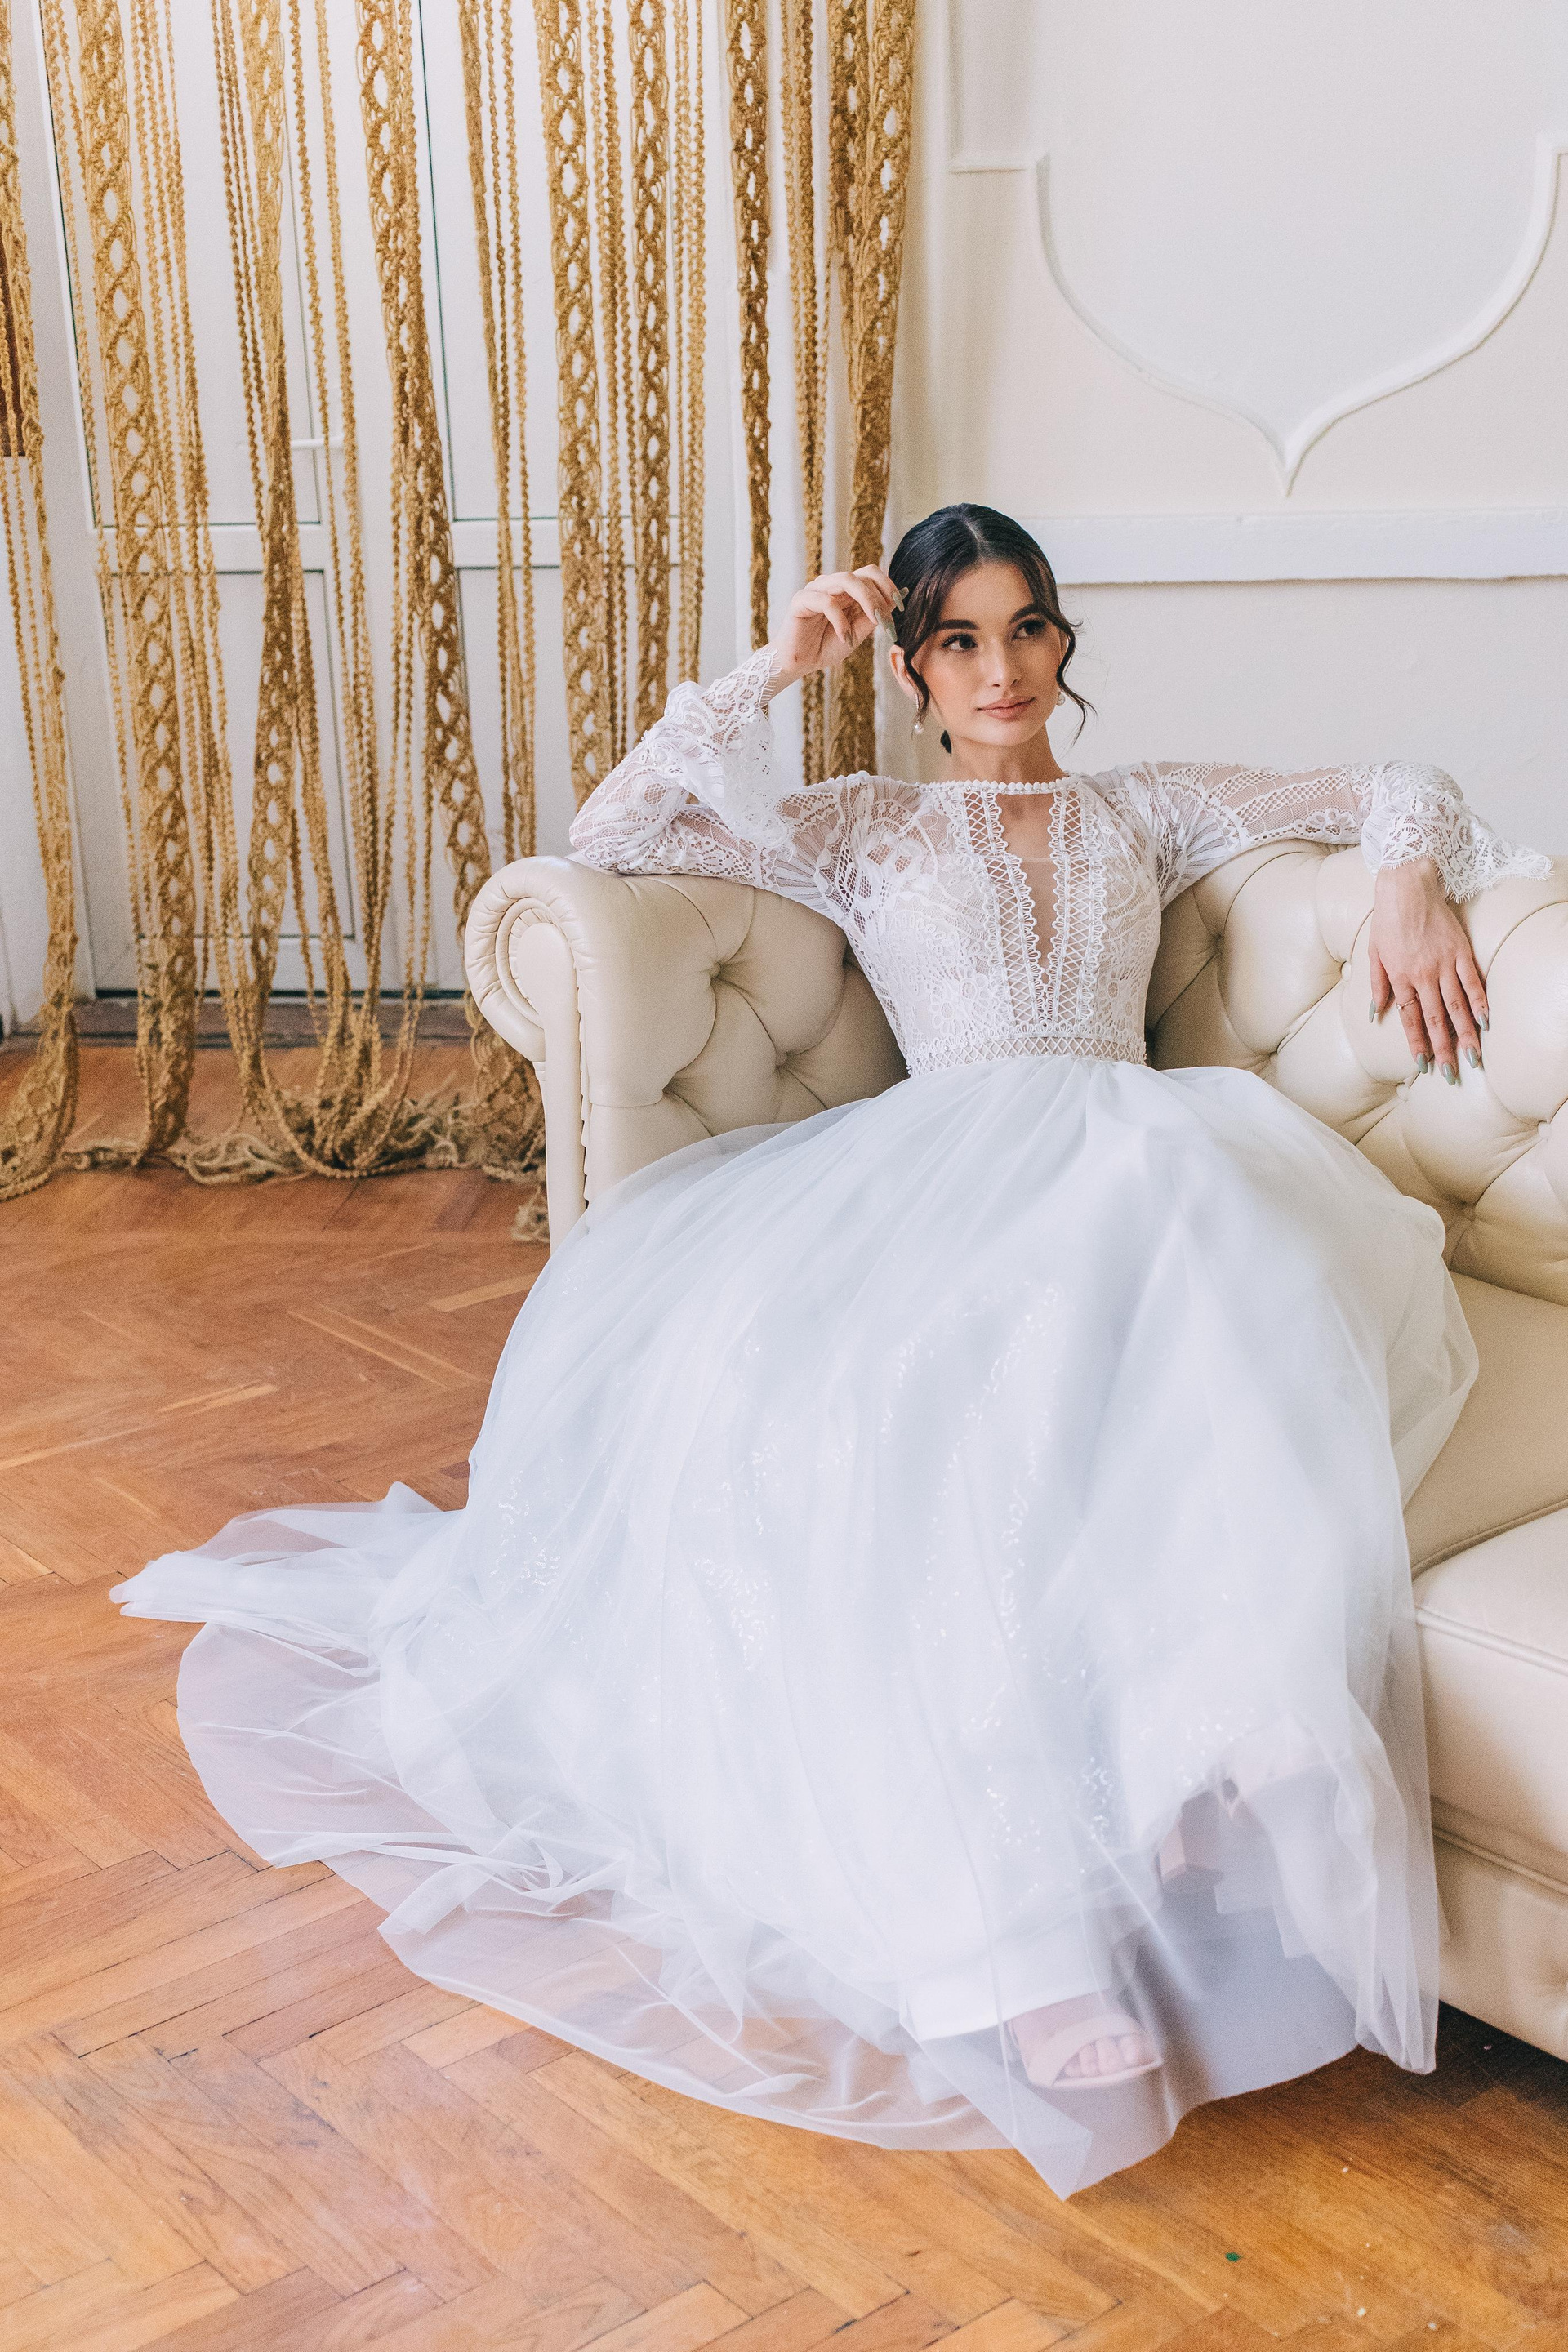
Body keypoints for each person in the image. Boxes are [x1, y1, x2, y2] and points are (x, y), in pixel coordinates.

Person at [113, 505, 1552, 2198]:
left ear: (1063, 644)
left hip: (1137, 1152)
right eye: (961, 641)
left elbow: (1397, 783)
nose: (1004, 670)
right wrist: (773, 670)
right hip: (940, 1170)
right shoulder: (863, 825)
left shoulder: (1144, 807)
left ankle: (1210, 1745)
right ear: (915, 672)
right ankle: (1017, 1935)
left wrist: (1406, 888)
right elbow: (618, 829)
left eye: (1029, 630)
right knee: (938, 1422)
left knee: (1203, 1303)